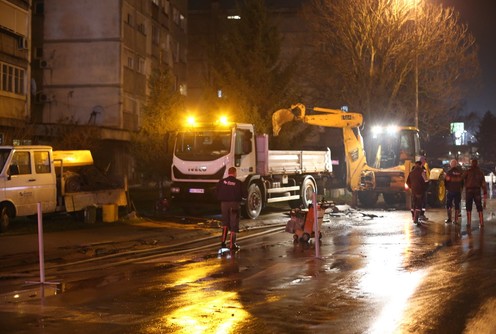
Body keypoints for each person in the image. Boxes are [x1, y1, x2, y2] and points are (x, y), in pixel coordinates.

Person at [216, 166, 245, 250]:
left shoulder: (221, 182)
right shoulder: (238, 183)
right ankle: (232, 244)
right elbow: (245, 194)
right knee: (233, 223)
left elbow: (216, 192)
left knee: (225, 223)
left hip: (224, 204)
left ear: (228, 173)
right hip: (234, 204)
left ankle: (223, 242)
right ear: (235, 173)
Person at [462, 159, 488, 227]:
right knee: (479, 206)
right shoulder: (480, 172)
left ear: (471, 164)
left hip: (469, 191)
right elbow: (483, 184)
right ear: (477, 164)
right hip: (477, 191)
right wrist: (485, 192)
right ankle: (481, 222)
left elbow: (461, 178)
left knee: (468, 206)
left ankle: (468, 222)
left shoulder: (468, 171)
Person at [407, 161, 429, 225]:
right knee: (418, 205)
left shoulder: (411, 172)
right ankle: (416, 219)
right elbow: (426, 181)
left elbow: (407, 182)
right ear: (420, 165)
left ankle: (413, 217)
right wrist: (425, 189)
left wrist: (411, 187)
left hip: (413, 191)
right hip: (420, 191)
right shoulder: (422, 172)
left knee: (413, 204)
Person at [444, 159, 463, 224]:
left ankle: (449, 219)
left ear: (451, 164)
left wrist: (447, 188)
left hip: (450, 191)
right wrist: (461, 188)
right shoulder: (460, 172)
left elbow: (445, 181)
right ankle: (456, 219)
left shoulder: (449, 172)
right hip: (458, 191)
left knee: (449, 204)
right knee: (457, 205)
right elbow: (462, 182)